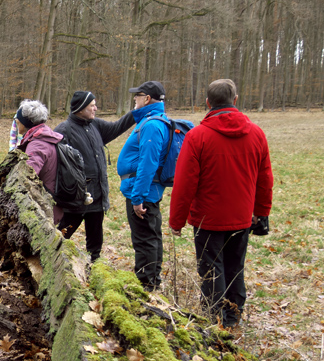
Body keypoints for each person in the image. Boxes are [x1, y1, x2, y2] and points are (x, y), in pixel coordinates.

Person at [168, 78, 273, 328]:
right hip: (241, 217)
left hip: (208, 220)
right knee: (235, 266)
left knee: (211, 270)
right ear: (235, 100)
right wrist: (260, 211)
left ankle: (215, 319)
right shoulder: (256, 133)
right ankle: (233, 315)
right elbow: (265, 178)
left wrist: (176, 221)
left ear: (207, 103)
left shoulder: (197, 137)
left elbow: (184, 183)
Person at [54, 90, 135, 262]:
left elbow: (118, 126)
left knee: (95, 245)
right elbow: (52, 162)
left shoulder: (95, 125)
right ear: (81, 108)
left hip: (97, 197)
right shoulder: (64, 130)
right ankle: (49, 263)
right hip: (75, 199)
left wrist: (137, 112)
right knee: (60, 237)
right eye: (92, 106)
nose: (95, 108)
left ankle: (95, 267)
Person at [117, 80, 171, 290]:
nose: (134, 99)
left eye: (137, 95)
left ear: (147, 99)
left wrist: (138, 198)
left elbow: (148, 164)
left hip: (142, 194)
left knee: (145, 241)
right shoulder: (151, 121)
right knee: (151, 237)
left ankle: (147, 285)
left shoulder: (151, 125)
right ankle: (152, 281)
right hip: (144, 191)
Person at [13, 100, 63, 224]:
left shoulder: (38, 145)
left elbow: (26, 176)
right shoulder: (44, 137)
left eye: (18, 119)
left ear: (26, 122)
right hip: (52, 202)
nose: (16, 121)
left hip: (47, 206)